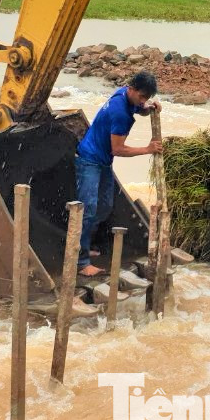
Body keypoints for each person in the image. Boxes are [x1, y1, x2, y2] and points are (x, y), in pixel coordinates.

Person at [75, 71, 162, 277]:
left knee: (104, 206)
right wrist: (147, 149)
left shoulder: (123, 93)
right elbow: (118, 149)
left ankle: (87, 246)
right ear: (132, 89)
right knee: (87, 209)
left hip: (103, 161)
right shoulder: (120, 114)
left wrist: (147, 108)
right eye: (142, 97)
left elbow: (137, 107)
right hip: (89, 160)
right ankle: (80, 261)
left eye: (147, 98)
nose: (143, 101)